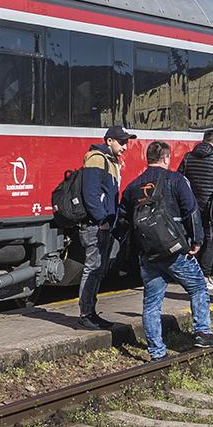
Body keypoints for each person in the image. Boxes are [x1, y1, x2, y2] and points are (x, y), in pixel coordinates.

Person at [122, 142, 213, 359]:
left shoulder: (133, 186)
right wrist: (197, 241)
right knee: (198, 287)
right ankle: (203, 332)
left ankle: (157, 353)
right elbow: (191, 210)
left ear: (147, 158)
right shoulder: (176, 180)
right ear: (166, 158)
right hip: (175, 250)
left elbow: (123, 221)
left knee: (151, 304)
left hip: (148, 254)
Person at [75, 126, 133, 330]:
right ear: (109, 141)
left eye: (126, 142)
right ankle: (85, 314)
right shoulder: (96, 159)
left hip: (104, 225)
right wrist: (102, 220)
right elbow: (90, 194)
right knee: (93, 268)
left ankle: (90, 312)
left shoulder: (110, 161)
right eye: (122, 142)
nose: (125, 146)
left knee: (98, 269)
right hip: (96, 226)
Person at [179, 129, 213, 273]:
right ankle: (205, 274)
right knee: (211, 241)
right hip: (212, 208)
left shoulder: (187, 157)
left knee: (195, 239)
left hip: (192, 207)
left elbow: (179, 180)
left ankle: (192, 272)